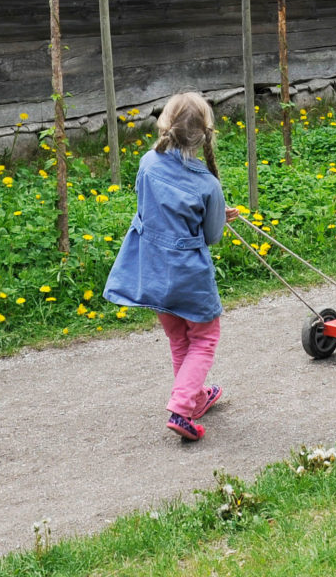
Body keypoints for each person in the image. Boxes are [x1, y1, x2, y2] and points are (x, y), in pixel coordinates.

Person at [103, 92, 240, 442]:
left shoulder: (148, 163)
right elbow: (211, 237)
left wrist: (210, 213)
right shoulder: (209, 185)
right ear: (205, 133)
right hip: (188, 277)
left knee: (180, 338)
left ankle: (193, 396)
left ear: (165, 125)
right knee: (205, 337)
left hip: (152, 272)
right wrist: (217, 216)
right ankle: (181, 408)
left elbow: (154, 208)